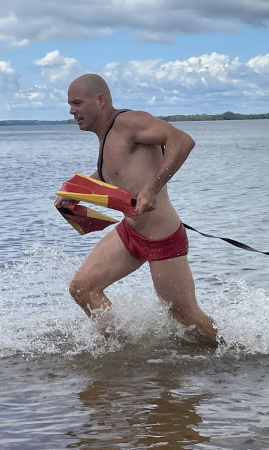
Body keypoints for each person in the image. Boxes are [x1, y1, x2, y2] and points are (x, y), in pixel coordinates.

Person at [54, 73, 218, 345]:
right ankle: (121, 349)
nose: (72, 111)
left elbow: (182, 140)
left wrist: (153, 188)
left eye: (77, 103)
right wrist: (78, 193)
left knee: (184, 316)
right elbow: (116, 173)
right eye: (70, 105)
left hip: (162, 238)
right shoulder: (107, 135)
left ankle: (233, 354)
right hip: (129, 233)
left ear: (100, 100)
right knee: (83, 289)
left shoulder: (128, 122)